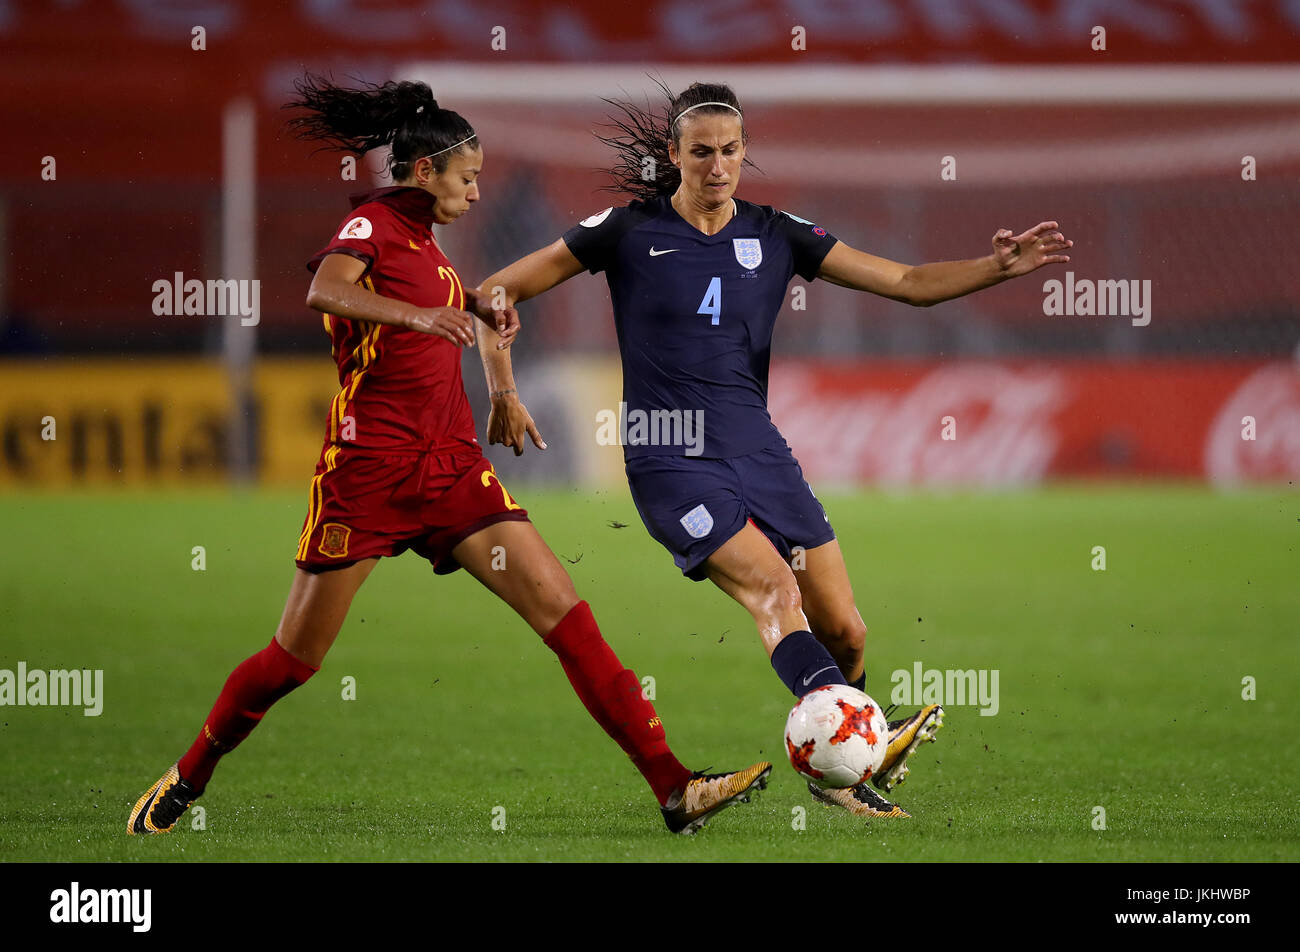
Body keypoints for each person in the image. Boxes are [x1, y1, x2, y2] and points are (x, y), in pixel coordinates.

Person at [128, 77, 770, 839]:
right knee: (293, 661)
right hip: (368, 476)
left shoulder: (429, 251)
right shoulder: (369, 225)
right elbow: (328, 293)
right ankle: (188, 775)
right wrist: (422, 315)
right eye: (468, 178)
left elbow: (474, 314)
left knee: (566, 617)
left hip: (452, 470)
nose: (475, 192)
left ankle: (674, 788)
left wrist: (493, 368)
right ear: (426, 172)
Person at [467, 81, 1073, 819]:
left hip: (758, 449)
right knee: (773, 593)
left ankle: (836, 771)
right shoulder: (625, 232)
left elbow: (908, 283)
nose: (716, 166)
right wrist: (501, 386)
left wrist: (994, 268)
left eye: (729, 152)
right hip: (669, 458)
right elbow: (495, 290)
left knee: (846, 631)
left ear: (745, 154)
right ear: (674, 154)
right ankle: (860, 744)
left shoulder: (777, 233)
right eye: (701, 153)